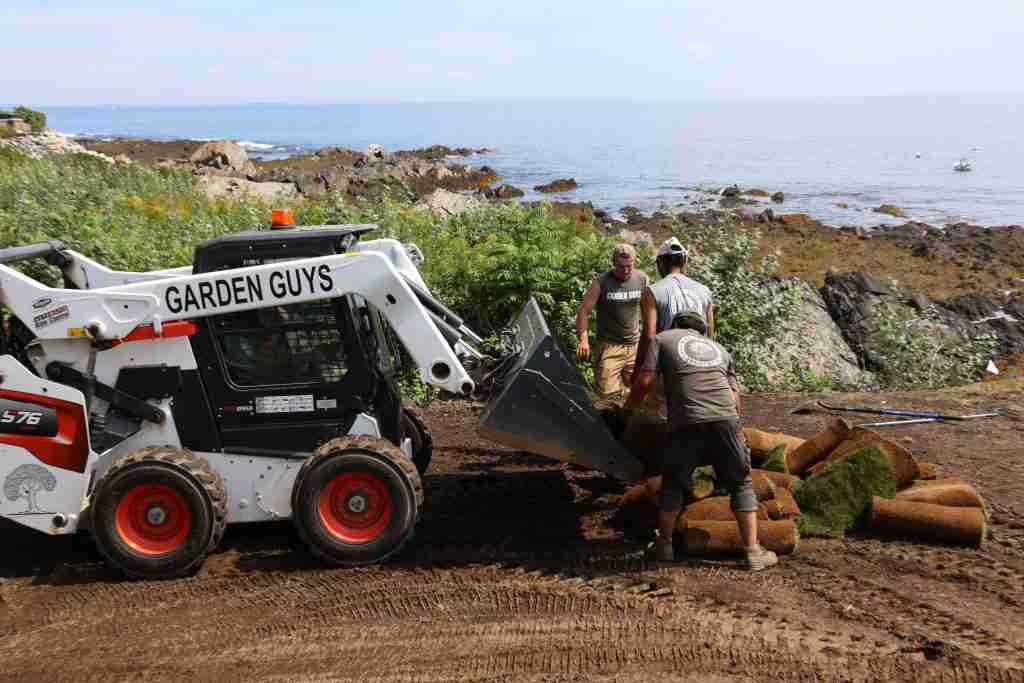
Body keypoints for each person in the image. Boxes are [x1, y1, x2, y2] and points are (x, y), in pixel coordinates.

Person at [623, 311, 778, 571]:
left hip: (685, 421)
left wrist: (628, 410)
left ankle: (664, 545)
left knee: (672, 482)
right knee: (740, 482)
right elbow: (735, 401)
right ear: (702, 332)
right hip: (725, 420)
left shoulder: (662, 338)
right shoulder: (720, 349)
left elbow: (647, 379)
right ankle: (752, 552)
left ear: (676, 325)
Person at [575, 243, 649, 398]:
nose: (626, 270)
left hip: (634, 346)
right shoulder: (601, 282)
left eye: (630, 265)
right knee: (606, 396)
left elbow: (647, 311)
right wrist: (583, 340)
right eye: (622, 266)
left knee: (640, 392)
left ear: (634, 262)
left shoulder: (642, 279)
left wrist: (648, 339)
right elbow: (583, 311)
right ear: (613, 262)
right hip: (609, 347)